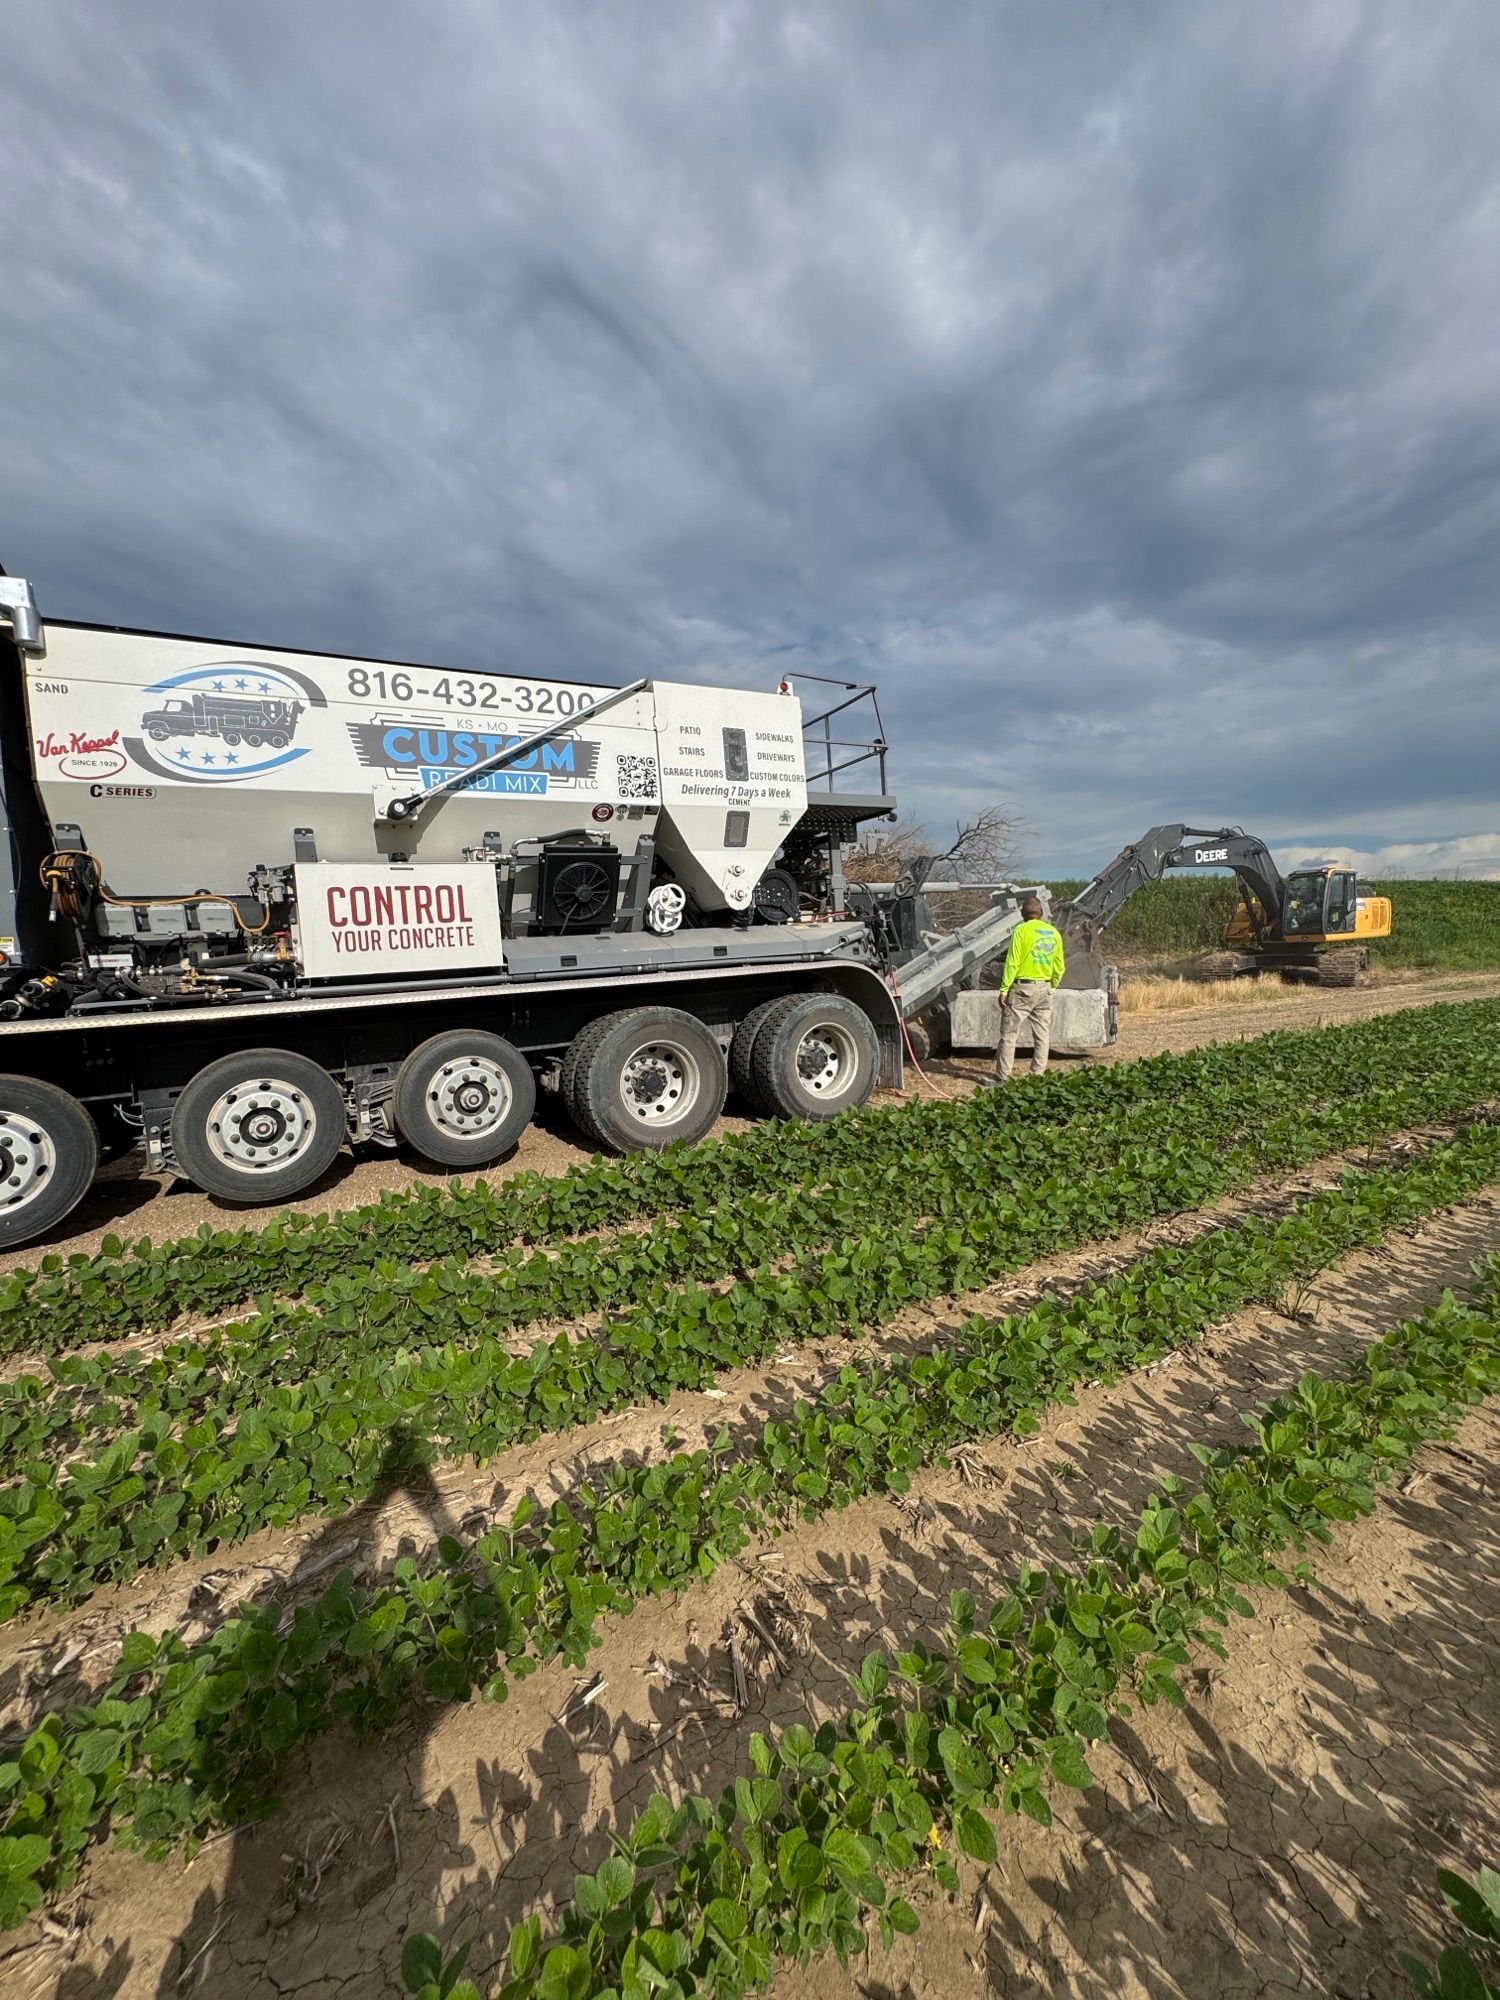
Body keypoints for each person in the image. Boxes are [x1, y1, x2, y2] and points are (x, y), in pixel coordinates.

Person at [994, 896, 1066, 1082]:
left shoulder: (1021, 931)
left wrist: (1004, 988)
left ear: (1022, 914)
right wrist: (1053, 986)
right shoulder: (1053, 933)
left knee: (1009, 1035)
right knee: (1042, 1035)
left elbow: (1013, 961)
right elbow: (1059, 965)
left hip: (1023, 989)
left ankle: (1003, 1078)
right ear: (1041, 913)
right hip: (1045, 988)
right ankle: (1037, 1076)